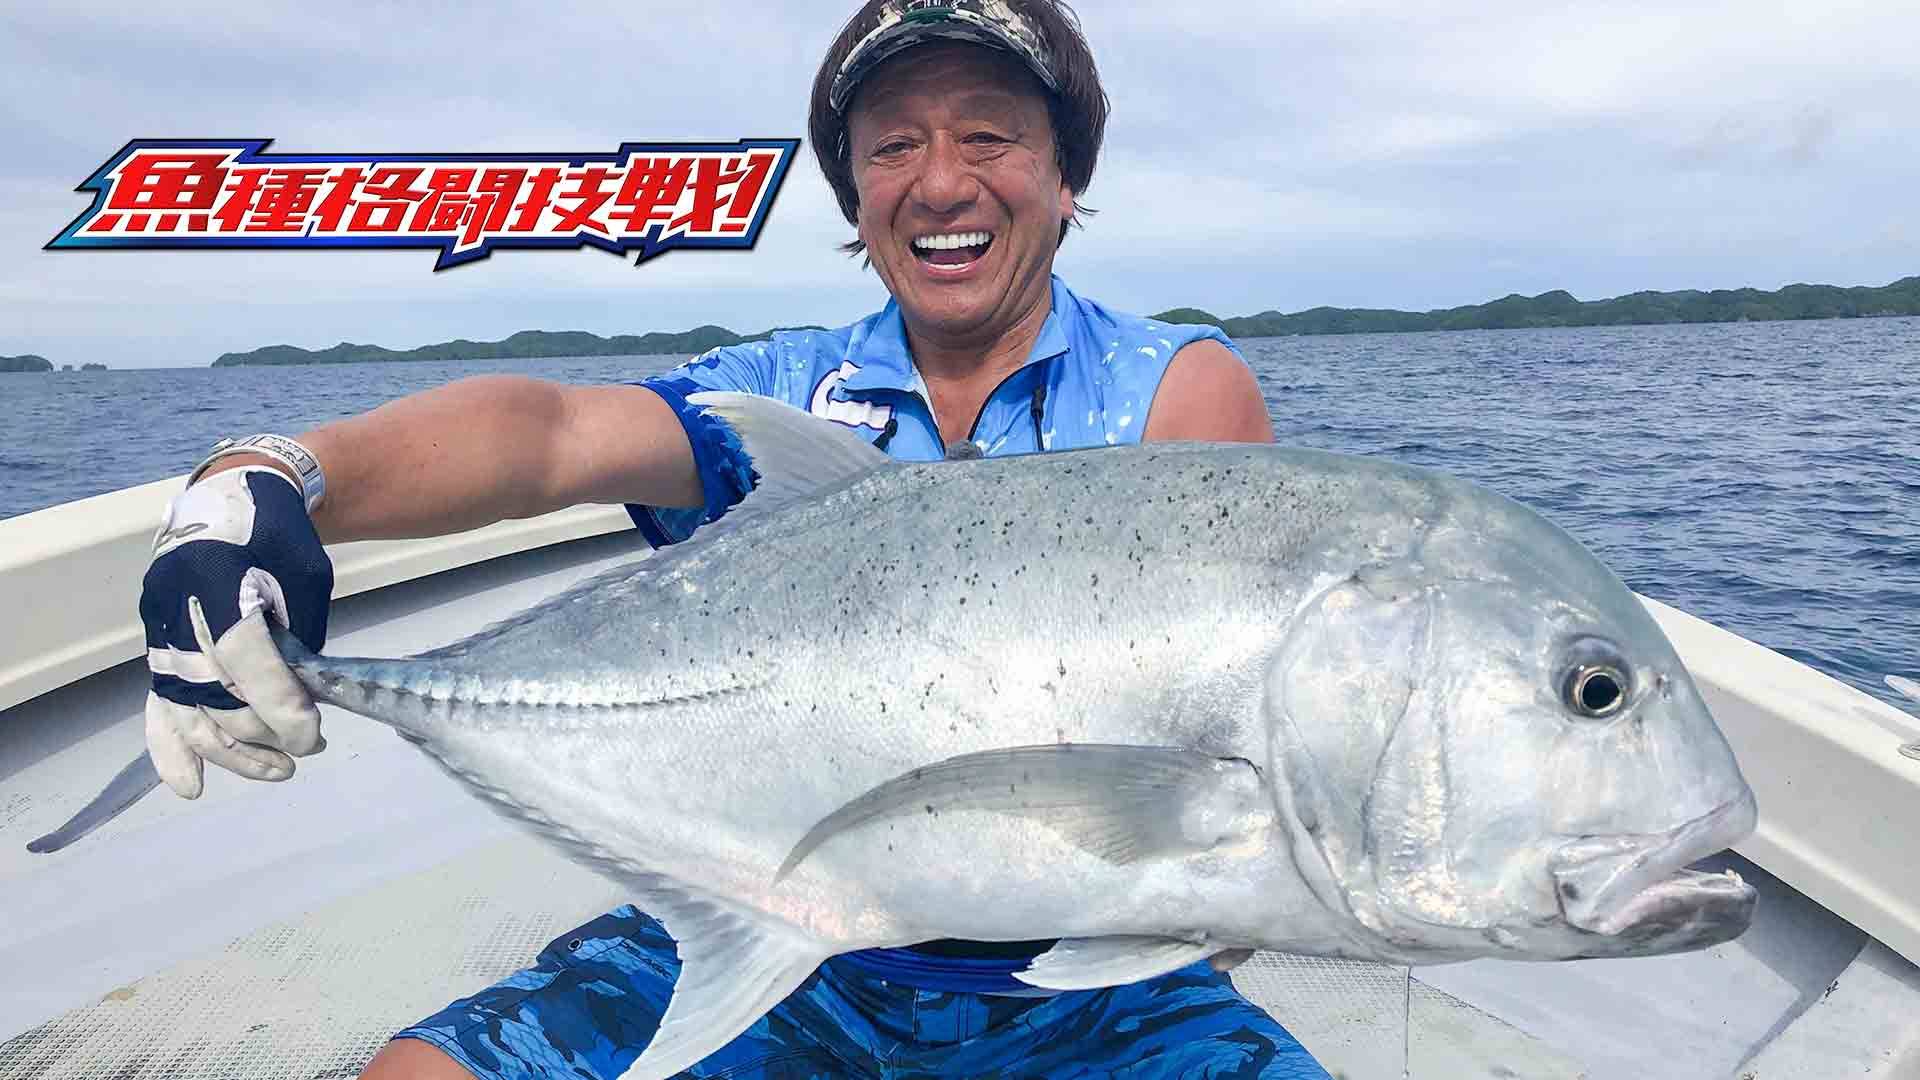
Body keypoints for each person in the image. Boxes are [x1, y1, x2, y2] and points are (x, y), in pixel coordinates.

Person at [138, 1, 1331, 1076]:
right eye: (893, 146)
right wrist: (270, 480)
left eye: (989, 136)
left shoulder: (1171, 387)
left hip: (1089, 989)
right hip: (783, 921)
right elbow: (550, 436)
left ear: (1066, 175)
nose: (941, 182)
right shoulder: (780, 392)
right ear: (856, 197)